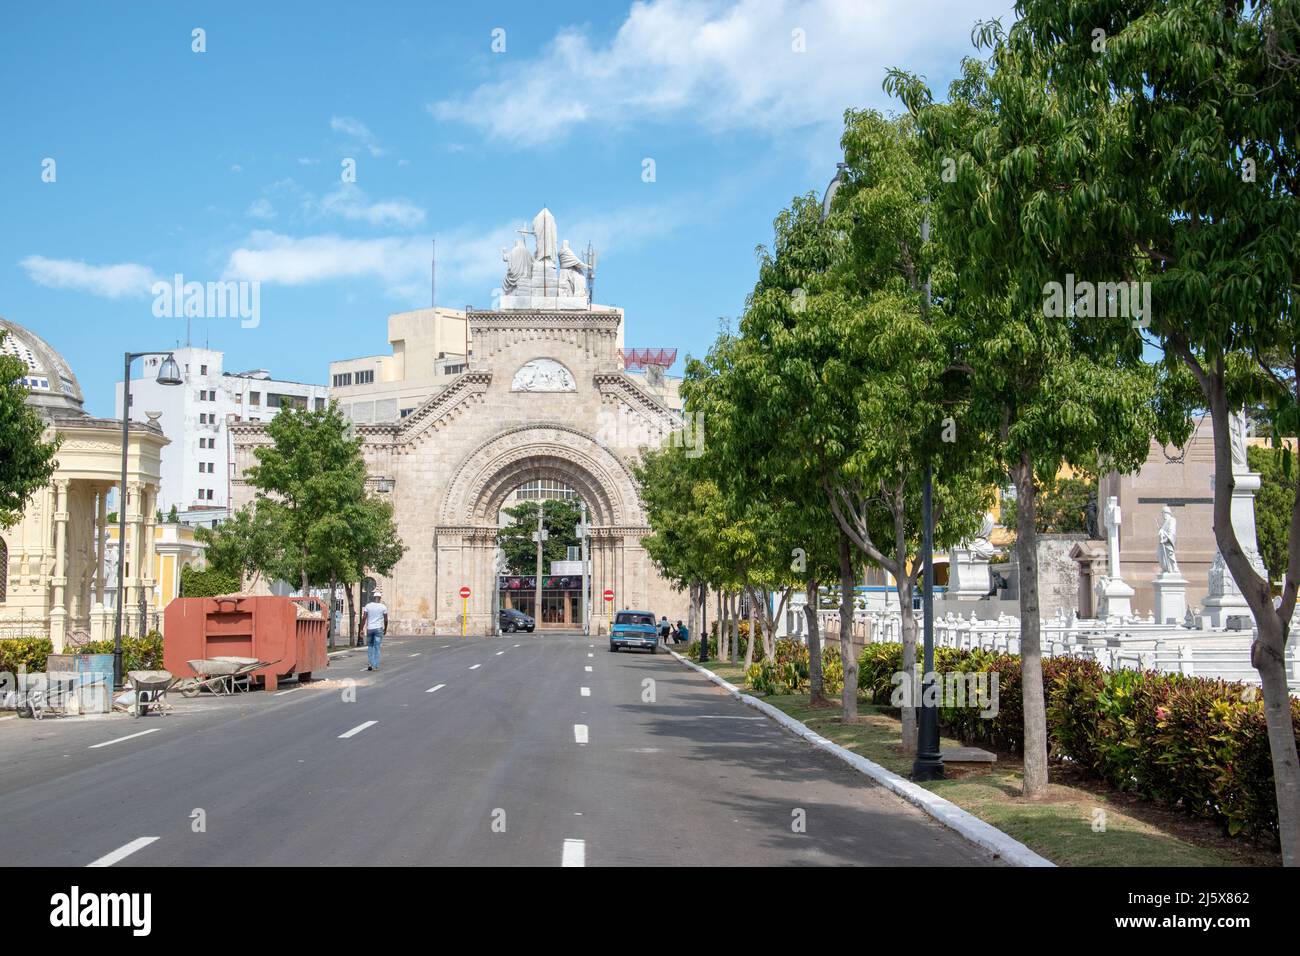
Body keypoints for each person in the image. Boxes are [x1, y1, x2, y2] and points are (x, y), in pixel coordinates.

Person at [362, 588, 389, 671]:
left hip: (370, 629)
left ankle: (370, 663)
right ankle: (375, 665)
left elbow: (364, 618)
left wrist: (361, 628)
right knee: (377, 647)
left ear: (373, 597)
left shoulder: (368, 606)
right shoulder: (383, 607)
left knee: (370, 646)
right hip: (378, 629)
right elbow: (386, 619)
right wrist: (385, 629)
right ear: (380, 598)